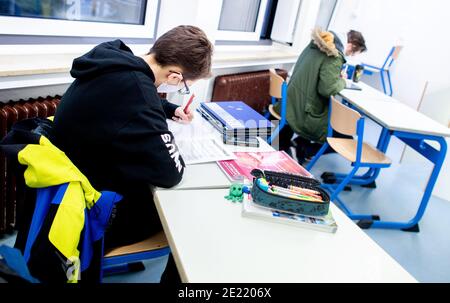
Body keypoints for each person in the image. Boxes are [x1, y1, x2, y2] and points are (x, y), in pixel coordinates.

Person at [51, 25, 213, 282]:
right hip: (94, 208)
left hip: (67, 184)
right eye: (184, 85)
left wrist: (170, 109)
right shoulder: (139, 94)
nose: (181, 90)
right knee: (184, 215)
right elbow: (170, 173)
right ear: (173, 77)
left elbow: (137, 98)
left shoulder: (115, 61)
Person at [271, 27, 367, 164]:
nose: (349, 55)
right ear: (351, 44)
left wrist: (335, 77)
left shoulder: (316, 44)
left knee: (328, 115)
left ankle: (299, 145)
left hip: (289, 102)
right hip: (303, 112)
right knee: (346, 138)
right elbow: (327, 89)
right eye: (352, 52)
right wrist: (342, 81)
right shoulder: (334, 55)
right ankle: (305, 149)